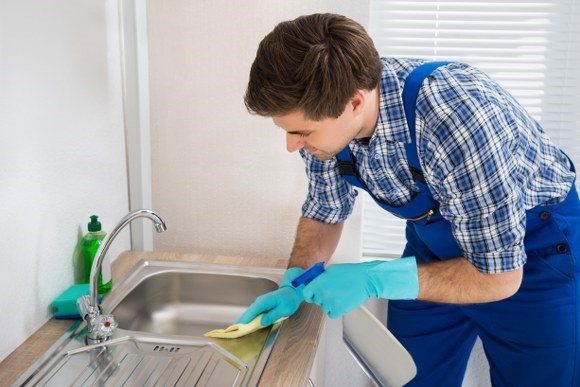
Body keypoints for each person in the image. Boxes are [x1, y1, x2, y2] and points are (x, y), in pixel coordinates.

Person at [235, 13, 579, 386]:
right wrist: (294, 284)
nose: (291, 146)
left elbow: (499, 277)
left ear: (354, 102)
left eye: (301, 132)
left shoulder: (459, 120)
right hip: (433, 249)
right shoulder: (323, 126)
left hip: (532, 260)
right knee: (407, 378)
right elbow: (325, 211)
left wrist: (375, 280)